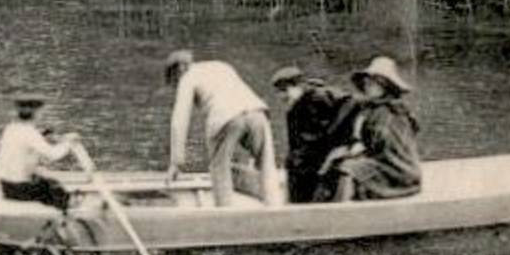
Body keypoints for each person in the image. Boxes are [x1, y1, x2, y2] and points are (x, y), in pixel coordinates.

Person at [165, 49, 282, 207]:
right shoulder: (220, 65)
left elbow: (179, 120)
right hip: (257, 112)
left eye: (174, 82)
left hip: (225, 117)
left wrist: (176, 163)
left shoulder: (187, 78)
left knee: (219, 169)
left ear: (178, 71)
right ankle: (275, 207)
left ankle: (225, 213)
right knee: (266, 164)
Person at [320, 56, 422, 201]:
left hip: (397, 169)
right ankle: (338, 205)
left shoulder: (392, 111)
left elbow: (385, 145)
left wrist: (355, 152)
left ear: (385, 86)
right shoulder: (371, 109)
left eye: (373, 83)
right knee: (336, 164)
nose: (368, 86)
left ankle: (343, 210)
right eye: (367, 83)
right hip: (381, 161)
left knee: (347, 169)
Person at [270, 65, 357, 204]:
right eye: (280, 92)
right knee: (295, 169)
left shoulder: (319, 97)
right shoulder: (295, 108)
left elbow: (350, 104)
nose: (282, 97)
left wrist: (336, 139)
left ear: (297, 86)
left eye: (285, 91)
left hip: (320, 155)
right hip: (309, 158)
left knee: (303, 176)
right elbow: (296, 142)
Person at [0, 94, 78, 212]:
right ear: (36, 113)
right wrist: (69, 142)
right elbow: (54, 155)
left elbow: (23, 143)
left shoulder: (10, 129)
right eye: (41, 111)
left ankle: (61, 206)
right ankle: (67, 213)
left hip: (6, 187)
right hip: (20, 189)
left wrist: (43, 135)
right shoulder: (31, 133)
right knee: (53, 186)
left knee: (46, 182)